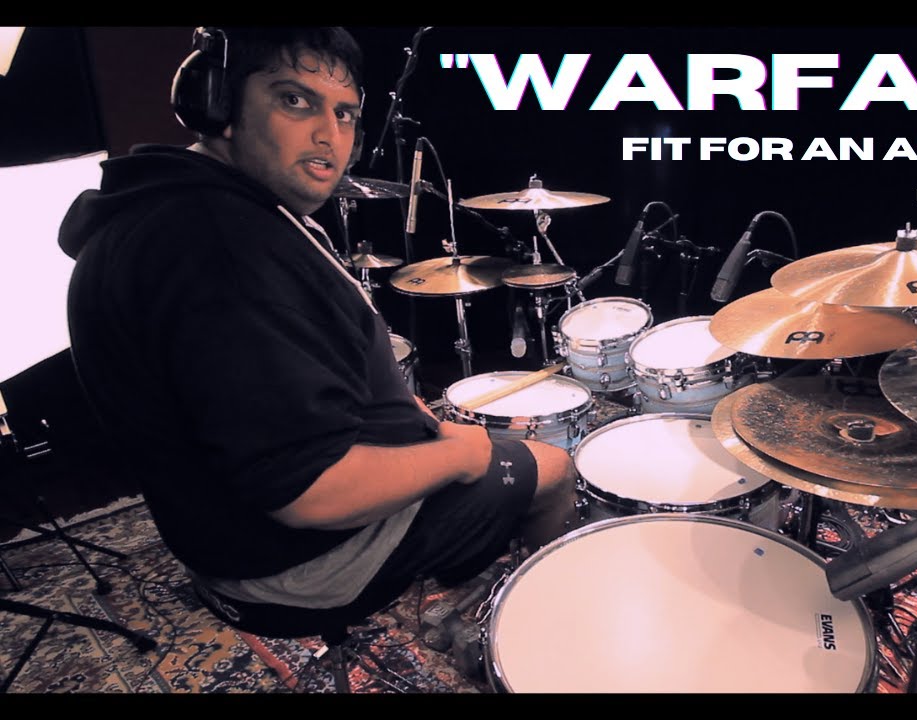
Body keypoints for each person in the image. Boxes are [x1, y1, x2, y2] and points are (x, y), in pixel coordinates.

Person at [57, 27, 578, 622]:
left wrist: (415, 424)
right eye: (294, 100)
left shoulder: (170, 208)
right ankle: (537, 622)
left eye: (345, 113)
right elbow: (311, 493)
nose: (330, 136)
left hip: (219, 526)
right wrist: (461, 457)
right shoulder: (227, 256)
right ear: (218, 105)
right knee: (553, 468)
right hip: (294, 562)